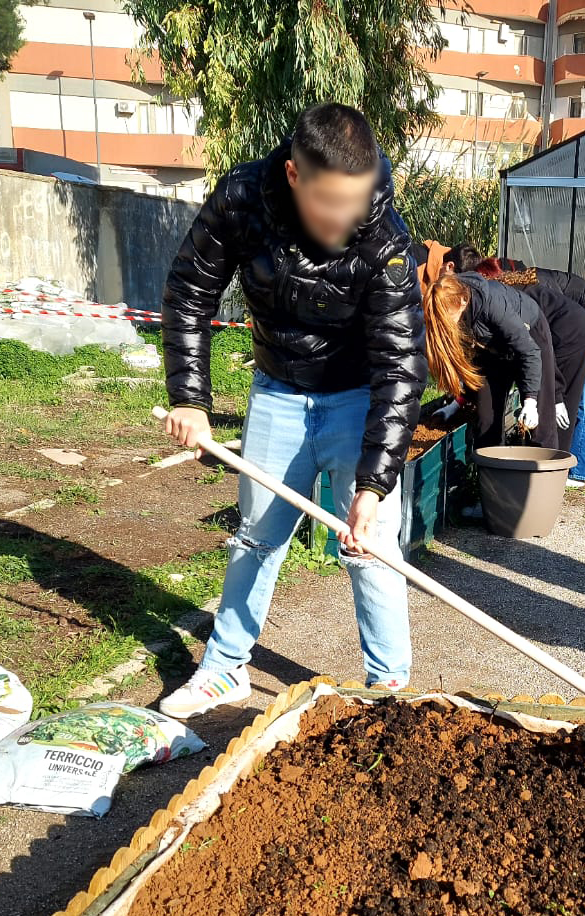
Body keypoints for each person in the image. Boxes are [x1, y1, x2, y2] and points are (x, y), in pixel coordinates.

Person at [157, 104, 426, 719]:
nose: (345, 218)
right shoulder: (242, 200)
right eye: (331, 203)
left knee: (372, 544)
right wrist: (190, 400)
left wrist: (373, 483)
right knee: (256, 536)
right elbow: (189, 291)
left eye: (355, 202)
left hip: (357, 395)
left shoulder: (383, 234)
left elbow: (401, 363)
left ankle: (389, 690)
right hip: (277, 390)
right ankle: (224, 670)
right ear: (294, 175)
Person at [446, 247, 585, 485]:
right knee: (558, 405)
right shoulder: (498, 297)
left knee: (570, 406)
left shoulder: (510, 301)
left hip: (580, 327)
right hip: (551, 335)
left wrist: (552, 395)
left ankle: (564, 475)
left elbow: (540, 346)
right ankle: (529, 476)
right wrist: (460, 400)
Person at [421, 272, 552, 449]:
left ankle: (541, 472)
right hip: (493, 350)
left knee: (538, 424)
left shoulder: (492, 304)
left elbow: (529, 351)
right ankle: (493, 472)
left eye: (447, 317)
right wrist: (456, 403)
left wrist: (530, 401)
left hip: (530, 339)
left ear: (462, 302)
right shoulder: (454, 317)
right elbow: (471, 364)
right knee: (486, 419)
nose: (446, 324)